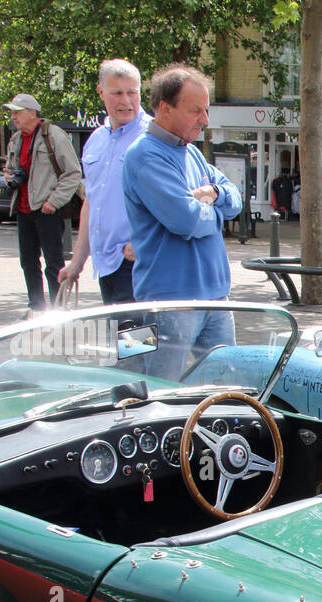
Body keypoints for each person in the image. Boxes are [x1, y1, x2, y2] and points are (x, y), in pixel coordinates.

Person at [122, 64, 242, 379]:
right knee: (156, 394)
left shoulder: (192, 153)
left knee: (225, 389)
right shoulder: (145, 155)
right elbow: (185, 221)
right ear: (164, 108)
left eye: (205, 110)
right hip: (167, 302)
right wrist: (216, 210)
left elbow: (235, 200)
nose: (205, 120)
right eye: (195, 111)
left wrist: (213, 194)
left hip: (215, 297)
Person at [58, 59, 151, 304]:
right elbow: (92, 202)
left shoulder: (154, 138)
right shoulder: (96, 140)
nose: (126, 101)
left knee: (139, 341)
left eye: (132, 92)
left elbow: (181, 199)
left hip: (139, 265)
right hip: (106, 265)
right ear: (101, 92)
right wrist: (76, 263)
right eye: (117, 93)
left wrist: (142, 242)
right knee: (122, 339)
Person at [2, 93, 82, 312]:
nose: (13, 117)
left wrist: (54, 201)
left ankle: (59, 310)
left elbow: (73, 172)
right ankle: (36, 308)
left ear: (32, 113)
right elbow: (11, 168)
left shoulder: (53, 135)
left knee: (53, 263)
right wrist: (9, 177)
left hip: (46, 208)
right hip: (23, 207)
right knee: (28, 261)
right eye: (12, 113)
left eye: (17, 112)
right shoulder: (16, 138)